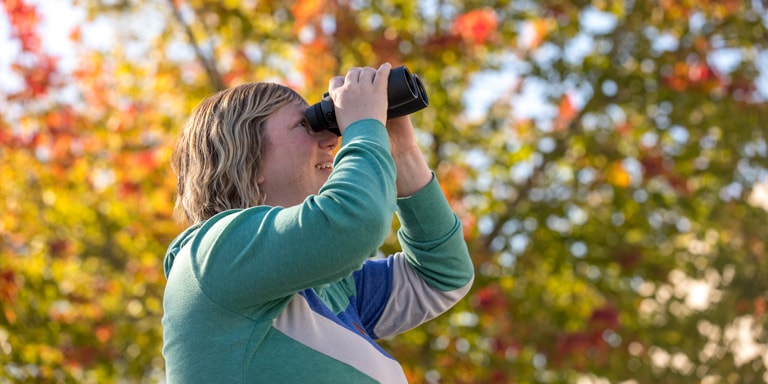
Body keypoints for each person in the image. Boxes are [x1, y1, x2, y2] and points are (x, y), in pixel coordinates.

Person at [162, 63, 474, 383]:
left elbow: (443, 276)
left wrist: (402, 152)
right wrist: (363, 125)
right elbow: (353, 224)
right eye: (306, 125)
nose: (331, 140)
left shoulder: (328, 290)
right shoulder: (213, 258)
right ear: (247, 157)